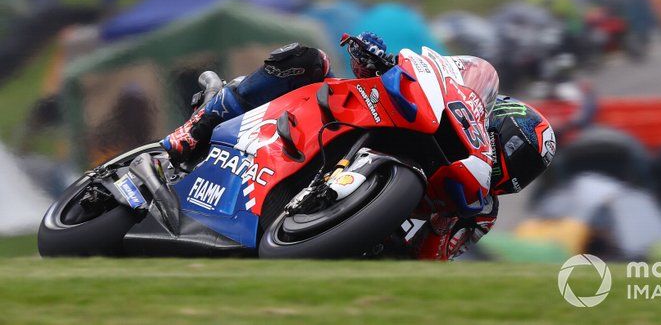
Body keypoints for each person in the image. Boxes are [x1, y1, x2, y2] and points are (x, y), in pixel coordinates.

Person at [161, 33, 555, 259]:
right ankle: (204, 121)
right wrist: (374, 59)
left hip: (360, 228)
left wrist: (398, 248)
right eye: (515, 153)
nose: (512, 170)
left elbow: (432, 259)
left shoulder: (479, 211)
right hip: (327, 119)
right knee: (306, 59)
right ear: (497, 123)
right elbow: (394, 79)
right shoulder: (453, 117)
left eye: (523, 172)